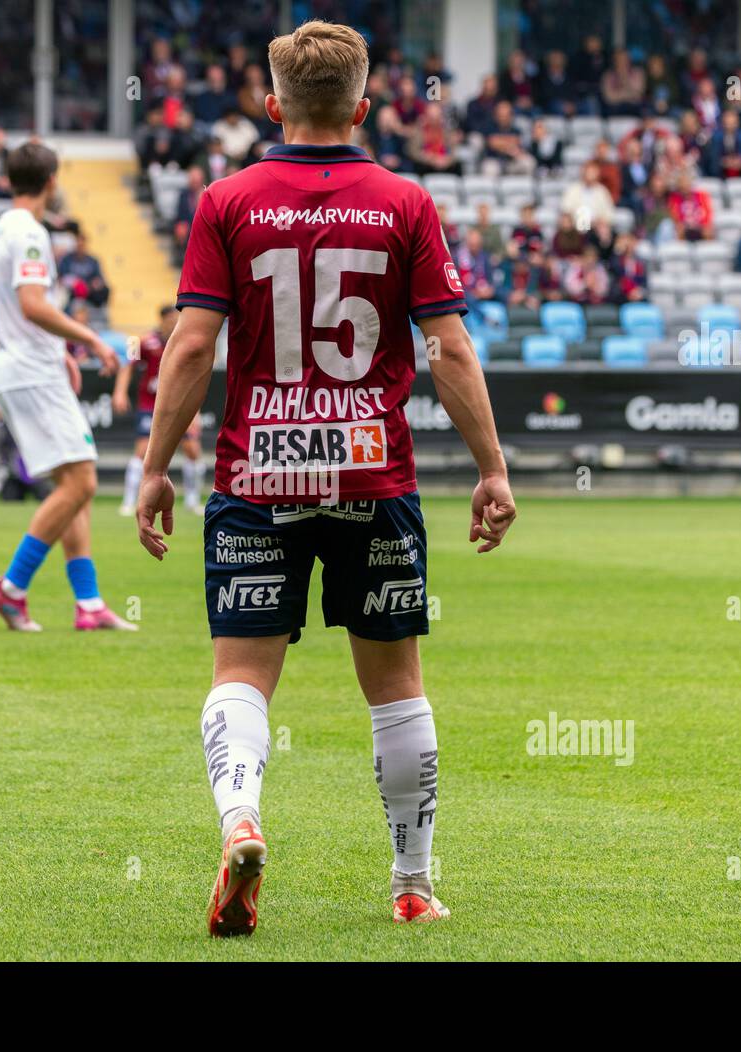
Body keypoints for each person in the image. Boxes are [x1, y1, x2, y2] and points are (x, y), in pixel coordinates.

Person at [134, 20, 516, 937]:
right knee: (396, 687)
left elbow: (192, 344)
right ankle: (413, 883)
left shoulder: (225, 200)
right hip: (372, 474)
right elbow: (449, 348)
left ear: (272, 106)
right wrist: (492, 468)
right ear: (363, 107)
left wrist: (153, 469)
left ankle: (242, 822)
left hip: (257, 474)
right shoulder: (404, 202)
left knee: (241, 674)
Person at [0, 142, 133, 633]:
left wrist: (58, 349)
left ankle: (88, 604)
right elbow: (31, 304)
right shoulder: (30, 232)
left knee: (72, 485)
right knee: (83, 482)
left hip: (21, 362)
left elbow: (3, 309)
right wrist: (89, 338)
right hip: (29, 369)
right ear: (51, 181)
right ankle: (10, 587)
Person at [114, 305, 204, 516]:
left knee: (192, 449)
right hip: (150, 406)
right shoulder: (143, 341)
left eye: (177, 318)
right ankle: (128, 501)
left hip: (179, 406)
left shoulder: (185, 342)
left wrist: (195, 412)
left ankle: (193, 501)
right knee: (142, 450)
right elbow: (127, 364)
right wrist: (119, 392)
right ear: (162, 320)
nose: (174, 322)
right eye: (171, 318)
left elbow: (193, 379)